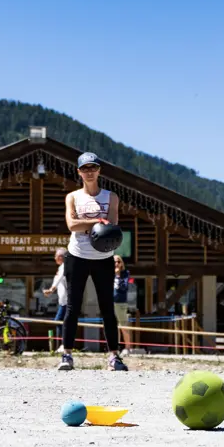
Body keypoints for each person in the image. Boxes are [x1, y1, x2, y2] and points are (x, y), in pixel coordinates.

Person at [58, 152, 127, 372]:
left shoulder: (111, 197)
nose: (89, 172)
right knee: (72, 307)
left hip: (103, 258)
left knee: (107, 308)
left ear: (99, 171)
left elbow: (112, 226)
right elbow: (71, 225)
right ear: (79, 172)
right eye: (85, 168)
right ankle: (67, 355)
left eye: (93, 168)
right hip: (77, 255)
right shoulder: (73, 197)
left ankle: (114, 357)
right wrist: (97, 220)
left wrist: (86, 223)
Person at [41, 247, 69, 343]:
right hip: (63, 301)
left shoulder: (64, 266)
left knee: (59, 321)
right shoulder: (61, 267)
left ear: (60, 257)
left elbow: (58, 279)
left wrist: (50, 290)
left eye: (56, 256)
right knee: (62, 322)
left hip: (66, 301)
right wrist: (51, 290)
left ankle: (63, 344)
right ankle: (63, 344)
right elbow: (56, 279)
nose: (54, 258)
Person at [113, 255, 133, 355]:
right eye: (114, 262)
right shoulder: (109, 273)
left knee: (123, 325)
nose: (116, 264)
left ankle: (127, 348)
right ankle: (114, 348)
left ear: (121, 264)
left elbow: (124, 287)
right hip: (110, 302)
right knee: (112, 326)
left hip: (120, 303)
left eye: (118, 262)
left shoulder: (125, 273)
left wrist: (118, 276)